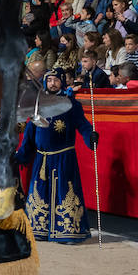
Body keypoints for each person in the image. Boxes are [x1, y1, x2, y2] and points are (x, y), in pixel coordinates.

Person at [16, 69, 96, 244]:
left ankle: (67, 232)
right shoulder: (38, 104)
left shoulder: (71, 105)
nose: (52, 83)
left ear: (62, 82)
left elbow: (83, 125)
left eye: (56, 80)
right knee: (40, 193)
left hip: (63, 158)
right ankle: (40, 229)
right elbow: (30, 134)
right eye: (49, 80)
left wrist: (90, 136)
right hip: (41, 160)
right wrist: (20, 156)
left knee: (64, 192)